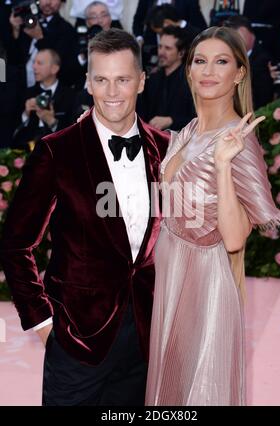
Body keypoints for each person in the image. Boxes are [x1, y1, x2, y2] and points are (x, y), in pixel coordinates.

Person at [0, 28, 169, 406]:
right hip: (77, 341)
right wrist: (44, 324)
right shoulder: (56, 151)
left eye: (122, 79)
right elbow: (15, 243)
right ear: (88, 83)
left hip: (145, 338)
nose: (112, 93)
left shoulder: (166, 148)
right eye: (102, 80)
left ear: (141, 82)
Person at [145, 26, 280, 406]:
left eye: (221, 61)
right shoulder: (188, 131)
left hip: (206, 285)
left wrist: (223, 165)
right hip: (171, 277)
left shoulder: (238, 139)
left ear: (239, 73)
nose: (208, 70)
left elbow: (237, 237)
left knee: (201, 390)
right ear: (188, 70)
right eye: (200, 61)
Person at [140, 25, 195, 131]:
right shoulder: (153, 79)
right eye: (160, 47)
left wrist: (172, 121)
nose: (161, 52)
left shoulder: (191, 81)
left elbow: (200, 120)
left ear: (181, 53)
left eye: (167, 48)